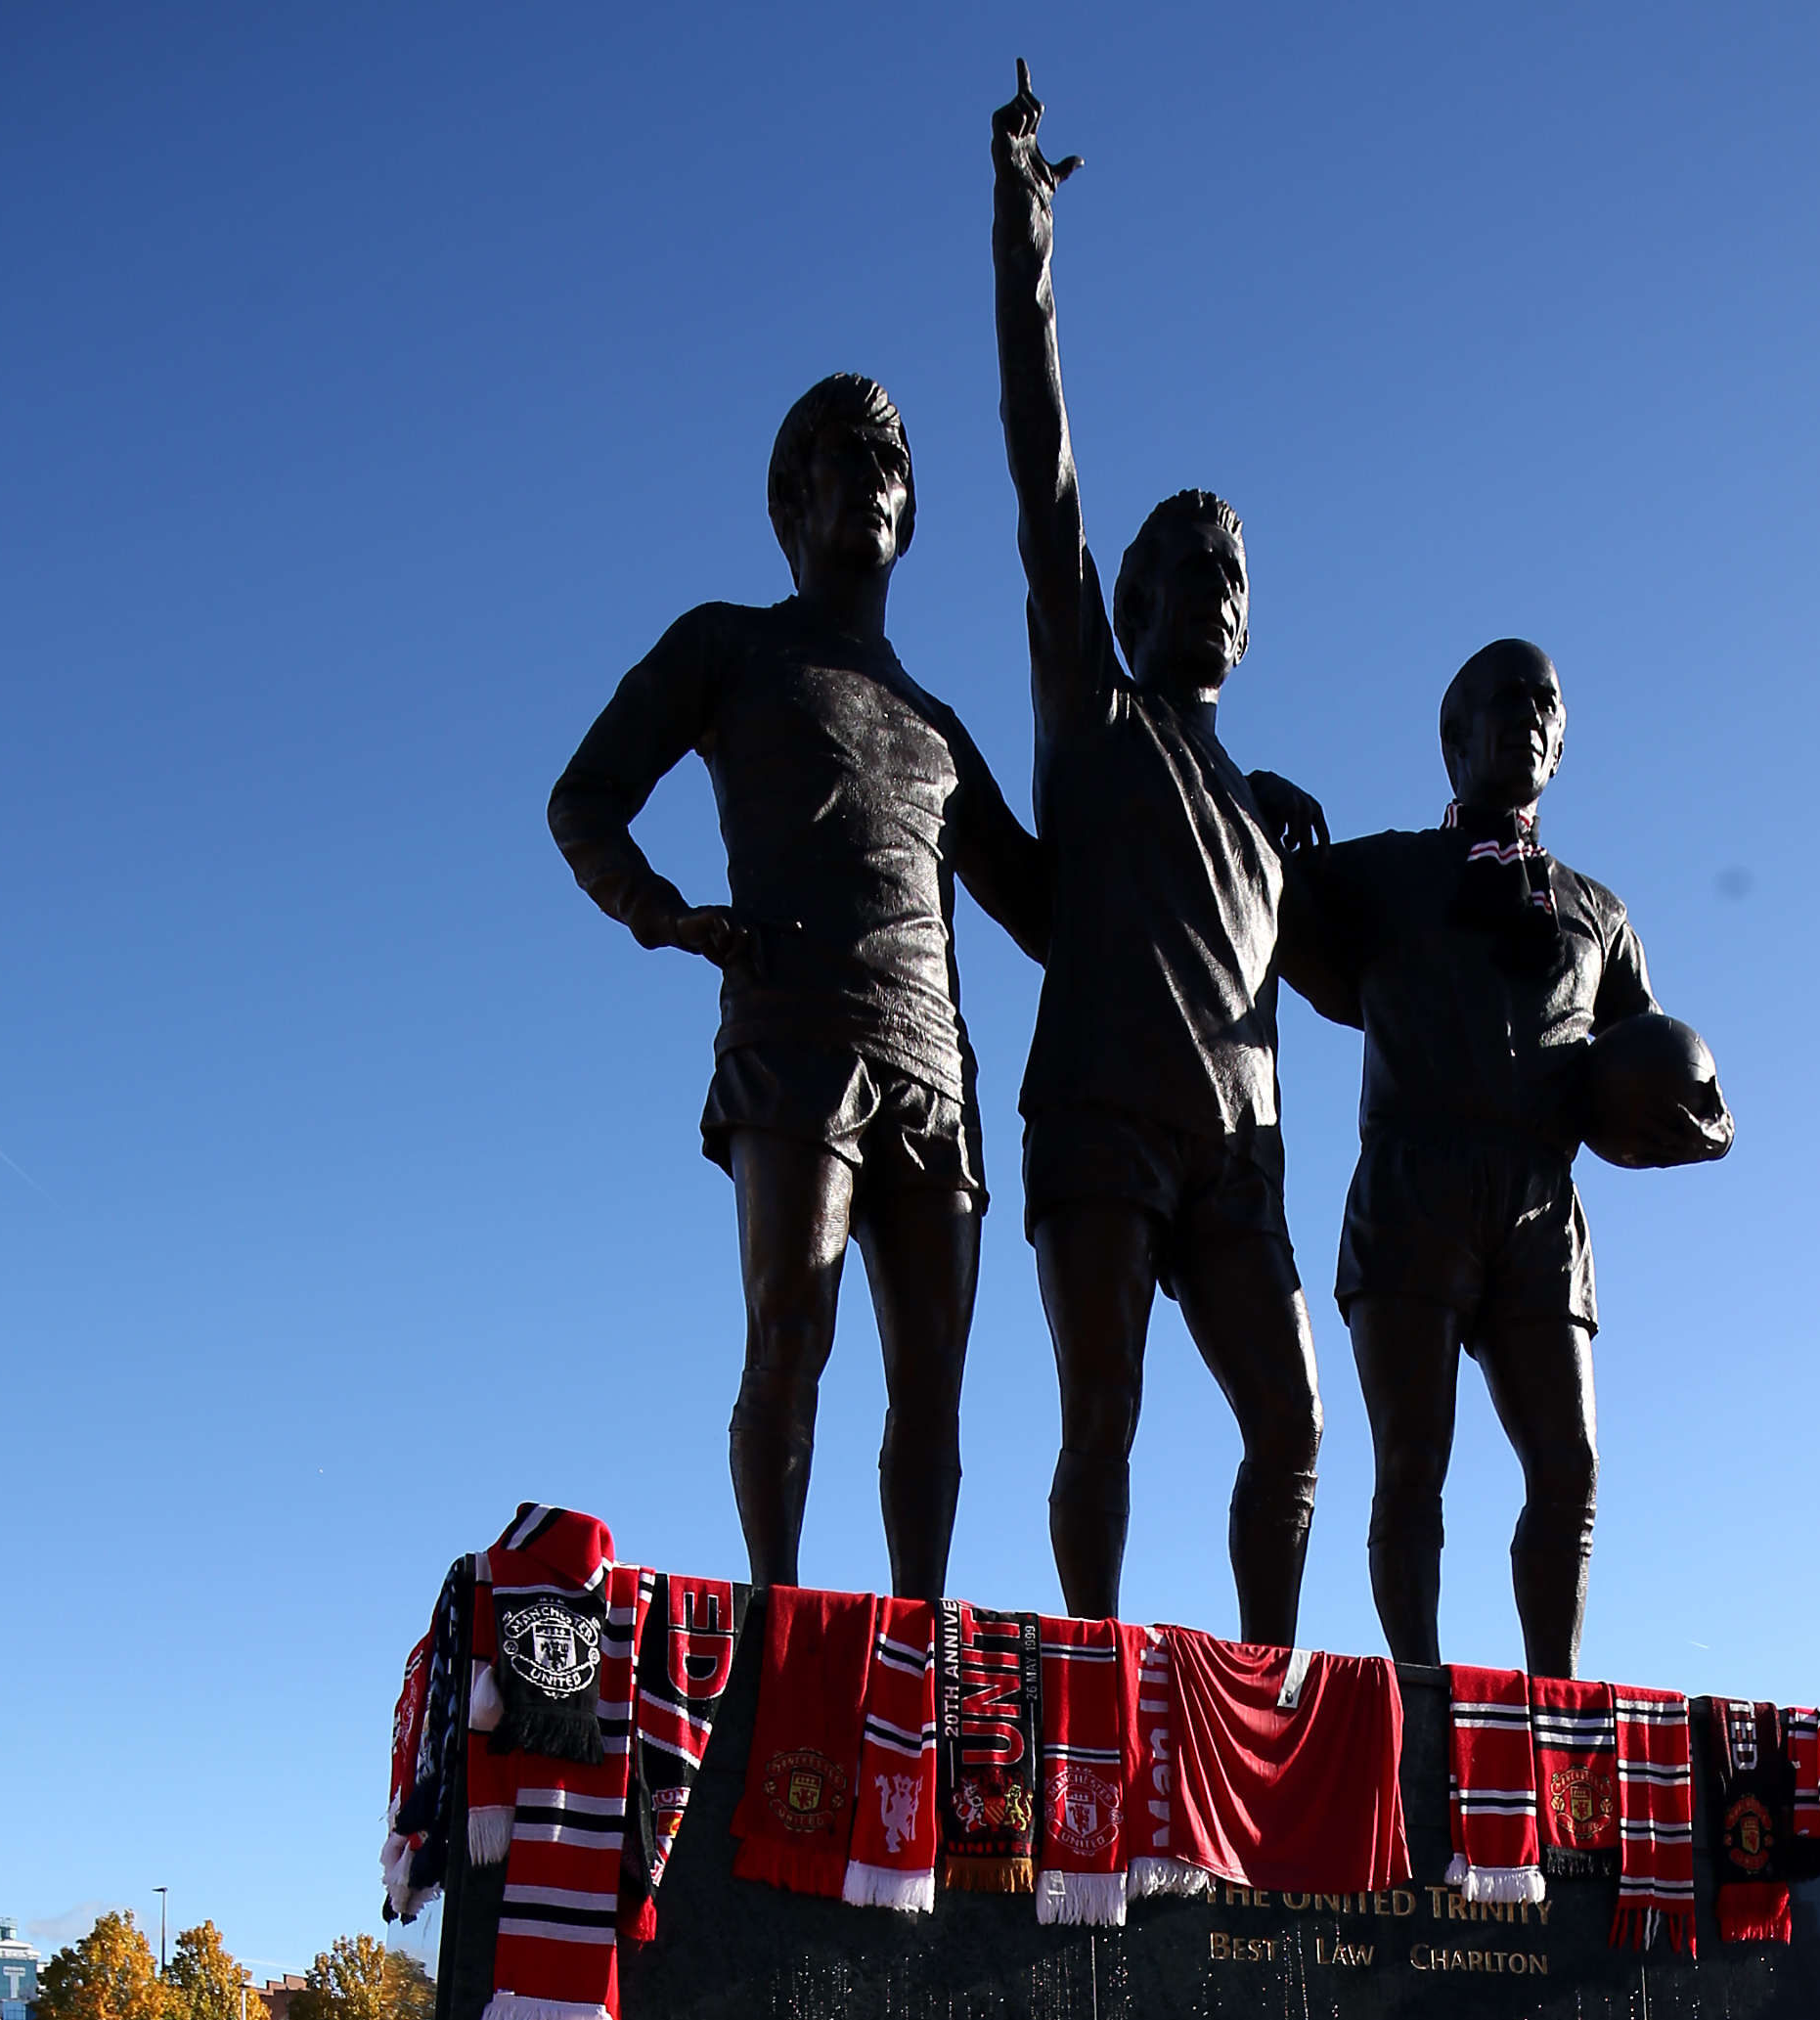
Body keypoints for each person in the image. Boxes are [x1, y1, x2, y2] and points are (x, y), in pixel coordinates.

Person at [549, 375, 1048, 1595]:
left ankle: (918, 1636)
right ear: (792, 494)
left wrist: (1182, 781)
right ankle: (777, 1614)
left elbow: (1047, 909)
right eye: (850, 455)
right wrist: (663, 915)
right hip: (794, 1032)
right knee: (791, 1334)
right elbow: (585, 799)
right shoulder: (730, 643)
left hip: (936, 1066)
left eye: (896, 463)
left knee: (932, 1377)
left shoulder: (933, 721)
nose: (878, 478)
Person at [990, 66, 1330, 1638]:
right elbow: (1042, 456)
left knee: (1298, 1429)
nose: (1220, 588)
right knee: (1102, 1422)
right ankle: (1092, 1666)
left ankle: (1265, 1688)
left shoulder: (1270, 813)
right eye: (1190, 565)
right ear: (1125, 603)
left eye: (1237, 575)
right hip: (1107, 1115)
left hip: (1240, 1150)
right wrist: (1024, 238)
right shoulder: (1094, 708)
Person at [1278, 640, 1728, 1674]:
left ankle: (1554, 1701)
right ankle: (1423, 1691)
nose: (1527, 715)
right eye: (1503, 699)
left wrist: (1705, 1122)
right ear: (1453, 736)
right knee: (1411, 1467)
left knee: (1568, 1471)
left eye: (1545, 701)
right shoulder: (1385, 871)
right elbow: (1269, 908)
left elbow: (1655, 1054)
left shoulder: (1599, 914)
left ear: (1563, 739)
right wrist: (1253, 807)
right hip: (1413, 1189)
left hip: (1538, 1198)